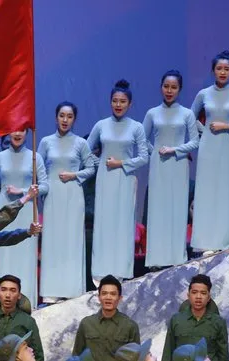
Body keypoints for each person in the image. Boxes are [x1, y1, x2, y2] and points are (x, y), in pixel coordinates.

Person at [190, 50, 229, 251]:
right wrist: (205, 131)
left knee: (226, 191)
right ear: (213, 70)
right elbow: (190, 118)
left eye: (227, 69)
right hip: (208, 147)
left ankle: (225, 240)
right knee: (207, 192)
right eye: (219, 68)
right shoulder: (203, 94)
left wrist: (227, 127)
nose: (223, 72)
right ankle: (205, 241)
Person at [87, 79, 149, 281]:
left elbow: (144, 156)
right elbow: (85, 152)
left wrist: (121, 163)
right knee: (104, 224)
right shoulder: (101, 125)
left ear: (130, 104)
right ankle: (100, 274)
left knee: (123, 224)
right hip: (106, 180)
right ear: (110, 102)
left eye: (123, 101)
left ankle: (121, 272)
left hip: (126, 179)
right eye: (115, 101)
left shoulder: (136, 127)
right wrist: (101, 163)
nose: (118, 105)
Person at [38, 101, 95, 302]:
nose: (65, 120)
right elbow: (38, 169)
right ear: (56, 117)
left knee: (71, 240)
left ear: (74, 119)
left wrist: (74, 174)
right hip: (53, 196)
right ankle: (51, 291)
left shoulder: (81, 143)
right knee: (53, 240)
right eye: (62, 115)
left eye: (69, 116)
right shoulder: (45, 142)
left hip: (73, 194)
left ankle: (71, 290)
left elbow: (91, 168)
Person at [0, 129, 48, 306]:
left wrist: (23, 191)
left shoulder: (35, 157)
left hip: (27, 210)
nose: (18, 133)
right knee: (5, 252)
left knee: (25, 254)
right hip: (4, 213)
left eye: (22, 130)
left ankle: (26, 302)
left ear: (27, 132)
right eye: (14, 130)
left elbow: (45, 186)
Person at [143, 70, 199, 267]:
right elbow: (142, 139)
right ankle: (156, 258)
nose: (169, 90)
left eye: (173, 87)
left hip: (178, 165)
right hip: (159, 166)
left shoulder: (187, 114)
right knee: (158, 209)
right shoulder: (152, 113)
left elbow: (195, 142)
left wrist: (176, 150)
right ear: (161, 87)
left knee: (176, 207)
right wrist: (156, 152)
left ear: (180, 89)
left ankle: (176, 257)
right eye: (166, 86)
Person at [0, 275, 44, 361]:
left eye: (13, 290)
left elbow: (38, 355)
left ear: (19, 295)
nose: (7, 295)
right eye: (3, 290)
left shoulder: (28, 321)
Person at [72, 275, 140, 361]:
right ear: (99, 297)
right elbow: (76, 355)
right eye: (104, 293)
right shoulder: (86, 324)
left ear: (119, 298)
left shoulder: (130, 326)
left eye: (113, 294)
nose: (108, 297)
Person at [162, 274, 228, 361]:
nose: (198, 297)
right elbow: (168, 353)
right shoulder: (176, 320)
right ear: (188, 295)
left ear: (208, 297)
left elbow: (223, 356)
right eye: (194, 292)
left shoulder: (219, 322)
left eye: (203, 293)